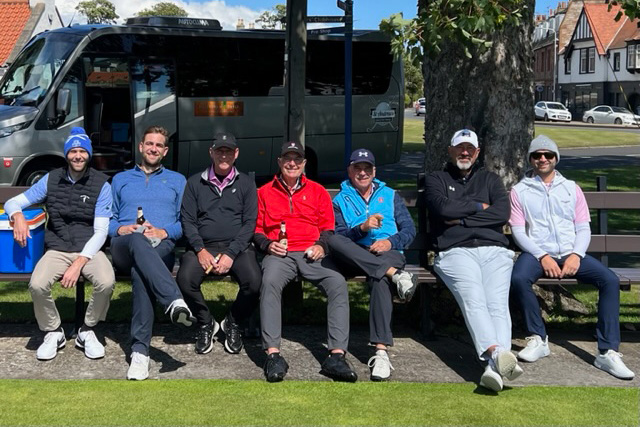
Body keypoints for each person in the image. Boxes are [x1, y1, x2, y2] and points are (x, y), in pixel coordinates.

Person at [509, 135, 634, 380]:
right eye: (537, 155)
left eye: (548, 155)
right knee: (518, 278)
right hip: (537, 254)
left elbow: (583, 228)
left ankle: (607, 352)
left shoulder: (571, 188)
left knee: (609, 280)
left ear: (556, 158)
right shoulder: (519, 191)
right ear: (531, 160)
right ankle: (538, 338)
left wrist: (576, 255)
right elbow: (517, 231)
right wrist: (542, 255)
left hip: (570, 253)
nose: (542, 159)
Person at [425, 129, 522, 392]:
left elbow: (501, 214)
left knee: (497, 306)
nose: (464, 152)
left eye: (470, 148)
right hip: (455, 251)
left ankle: (494, 368)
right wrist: (480, 207)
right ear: (450, 150)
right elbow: (443, 209)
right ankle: (496, 353)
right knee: (474, 299)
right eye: (459, 148)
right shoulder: (437, 179)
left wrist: (462, 218)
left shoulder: (490, 179)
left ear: (477, 153)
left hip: (495, 251)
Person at [5, 127, 114, 360]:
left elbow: (101, 231)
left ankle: (88, 329)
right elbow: (14, 202)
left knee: (106, 282)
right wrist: (18, 217)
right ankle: (54, 331)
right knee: (37, 284)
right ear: (66, 154)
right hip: (57, 248)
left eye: (82, 151)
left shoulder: (102, 184)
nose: (77, 156)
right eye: (73, 151)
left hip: (90, 249)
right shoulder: (51, 179)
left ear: (89, 154)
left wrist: (79, 262)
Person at [254, 141, 357, 383]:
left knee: (337, 283)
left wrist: (321, 246)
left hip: (312, 253)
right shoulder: (264, 192)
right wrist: (268, 245)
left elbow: (329, 229)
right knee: (268, 282)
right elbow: (256, 230)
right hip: (280, 254)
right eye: (287, 159)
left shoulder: (318, 191)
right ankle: (273, 355)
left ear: (304, 164)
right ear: (279, 162)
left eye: (297, 159)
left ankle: (336, 356)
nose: (292, 163)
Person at [109, 125, 194, 381]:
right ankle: (173, 300)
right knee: (136, 242)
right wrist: (122, 228)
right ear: (141, 147)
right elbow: (108, 222)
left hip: (162, 246)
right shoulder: (120, 179)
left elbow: (184, 223)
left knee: (142, 273)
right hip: (124, 245)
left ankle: (139, 352)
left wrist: (163, 233)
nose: (153, 148)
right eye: (149, 144)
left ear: (165, 151)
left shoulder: (178, 180)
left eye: (158, 145)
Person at [328, 148, 417, 381]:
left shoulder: (389, 194)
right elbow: (339, 235)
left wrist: (390, 241)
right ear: (350, 170)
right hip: (357, 254)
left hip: (387, 253)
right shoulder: (340, 199)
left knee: (378, 278)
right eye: (357, 168)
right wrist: (362, 229)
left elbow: (409, 229)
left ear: (374, 171)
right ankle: (395, 275)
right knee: (334, 239)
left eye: (367, 168)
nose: (362, 172)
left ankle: (380, 352)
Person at [177, 132, 261, 355]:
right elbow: (188, 220)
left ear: (236, 154)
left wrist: (231, 254)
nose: (224, 155)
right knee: (185, 280)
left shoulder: (247, 184)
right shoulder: (195, 182)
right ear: (211, 152)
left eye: (229, 151)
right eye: (219, 150)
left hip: (238, 247)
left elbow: (249, 223)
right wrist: (200, 250)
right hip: (203, 246)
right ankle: (206, 322)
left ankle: (232, 322)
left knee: (254, 282)